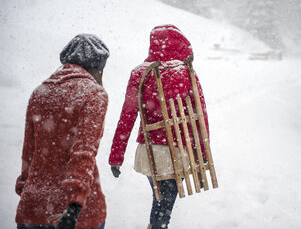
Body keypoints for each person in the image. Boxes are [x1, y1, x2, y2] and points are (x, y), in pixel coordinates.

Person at [109, 24, 209, 229]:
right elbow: (200, 114)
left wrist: (116, 156)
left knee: (161, 198)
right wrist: (203, 152)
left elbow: (127, 116)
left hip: (150, 150)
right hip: (179, 149)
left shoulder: (140, 73)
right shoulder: (187, 72)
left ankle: (157, 225)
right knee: (164, 203)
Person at [15, 34, 110, 229]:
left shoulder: (40, 91)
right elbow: (84, 152)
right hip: (75, 211)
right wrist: (75, 203)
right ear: (98, 66)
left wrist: (26, 186)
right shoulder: (94, 94)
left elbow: (29, 150)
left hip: (34, 205)